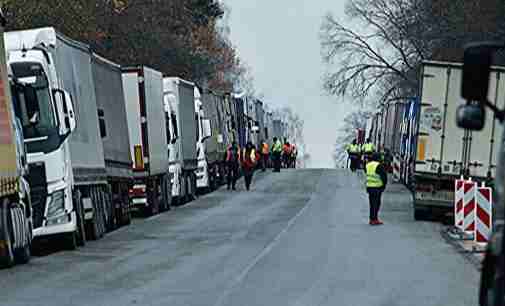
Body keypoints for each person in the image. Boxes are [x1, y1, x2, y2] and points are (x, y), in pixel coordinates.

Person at [366, 152, 388, 225]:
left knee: (372, 204)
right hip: (377, 188)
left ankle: (372, 219)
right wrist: (384, 186)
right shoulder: (379, 166)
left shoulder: (368, 165)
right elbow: (384, 176)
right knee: (376, 204)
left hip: (369, 187)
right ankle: (374, 219)